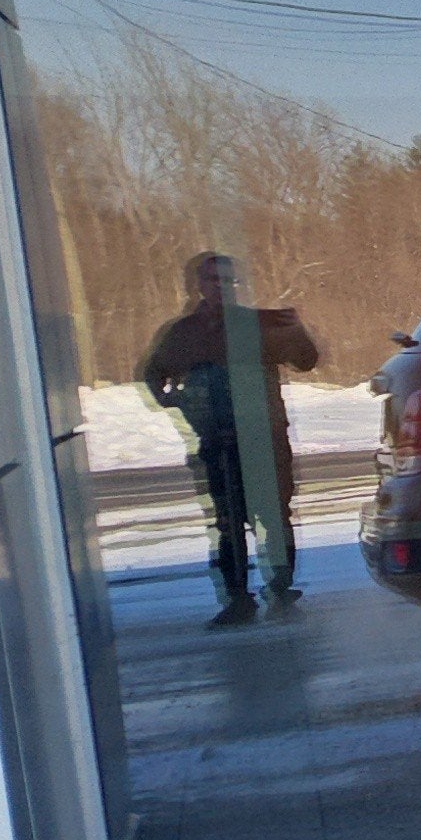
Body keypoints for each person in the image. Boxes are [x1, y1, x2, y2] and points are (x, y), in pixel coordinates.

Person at [139, 251, 321, 624]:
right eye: (212, 281)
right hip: (218, 441)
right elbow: (155, 373)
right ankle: (238, 599)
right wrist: (175, 400)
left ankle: (282, 592)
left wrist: (293, 329)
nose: (221, 288)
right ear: (199, 287)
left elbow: (306, 359)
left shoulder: (259, 325)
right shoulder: (184, 333)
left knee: (274, 516)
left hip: (265, 438)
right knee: (228, 521)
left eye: (228, 281)